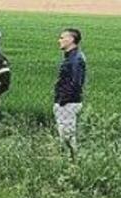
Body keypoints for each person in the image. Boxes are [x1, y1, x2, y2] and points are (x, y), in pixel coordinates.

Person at [54, 28, 87, 160]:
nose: (59, 40)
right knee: (65, 134)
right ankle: (69, 160)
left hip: (68, 103)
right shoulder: (72, 57)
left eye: (62, 38)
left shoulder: (75, 59)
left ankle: (71, 162)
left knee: (67, 135)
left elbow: (75, 83)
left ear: (71, 39)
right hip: (66, 102)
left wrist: (63, 100)